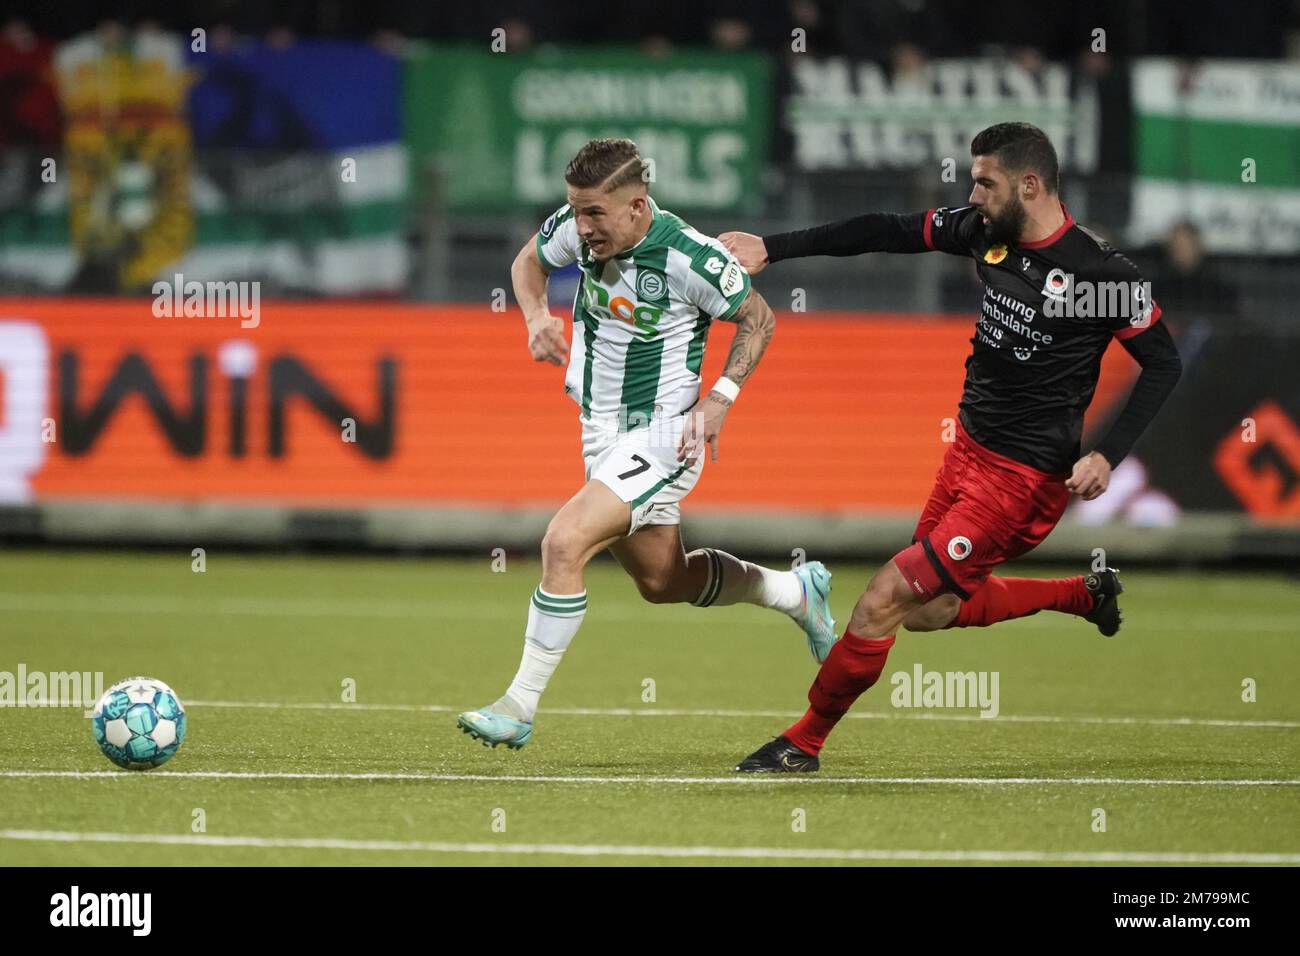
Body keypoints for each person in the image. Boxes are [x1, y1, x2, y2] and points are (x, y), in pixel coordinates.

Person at [720, 122, 1182, 771]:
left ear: (1030, 184)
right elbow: (886, 230)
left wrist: (1107, 453)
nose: (973, 194)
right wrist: (772, 246)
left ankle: (803, 743)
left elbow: (1163, 363)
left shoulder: (1099, 276)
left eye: (985, 182)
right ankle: (1082, 594)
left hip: (1021, 483)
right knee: (930, 611)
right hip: (966, 453)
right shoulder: (984, 230)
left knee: (883, 600)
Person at [457, 138, 836, 750]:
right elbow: (529, 261)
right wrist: (534, 318)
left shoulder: (693, 259)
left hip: (663, 432)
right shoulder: (578, 228)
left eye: (595, 215)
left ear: (637, 206)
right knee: (664, 581)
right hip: (600, 430)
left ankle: (518, 704)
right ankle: (796, 592)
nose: (581, 228)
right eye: (576, 212)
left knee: (563, 540)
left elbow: (760, 319)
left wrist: (719, 399)